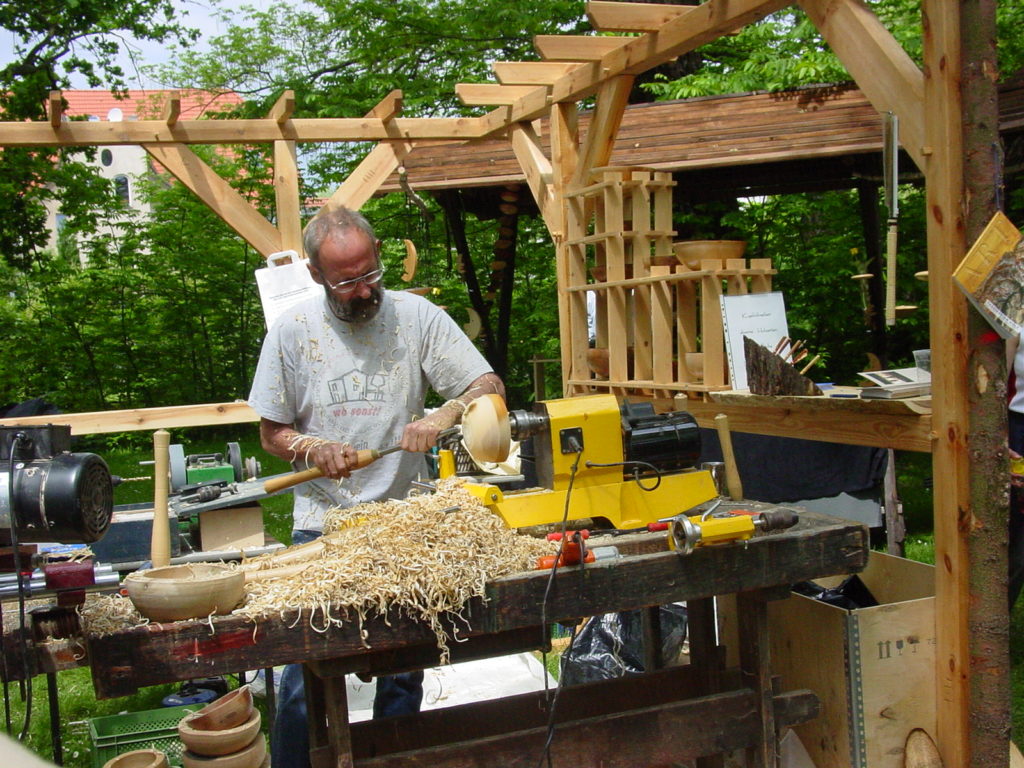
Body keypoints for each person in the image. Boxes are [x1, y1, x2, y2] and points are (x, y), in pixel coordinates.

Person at [247, 205, 504, 768]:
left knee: (402, 670)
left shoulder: (416, 317)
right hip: (323, 527)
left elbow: (488, 381)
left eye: (372, 275)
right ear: (316, 276)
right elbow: (271, 433)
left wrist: (447, 412)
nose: (365, 292)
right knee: (302, 678)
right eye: (347, 282)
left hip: (403, 523)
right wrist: (314, 448)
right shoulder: (292, 332)